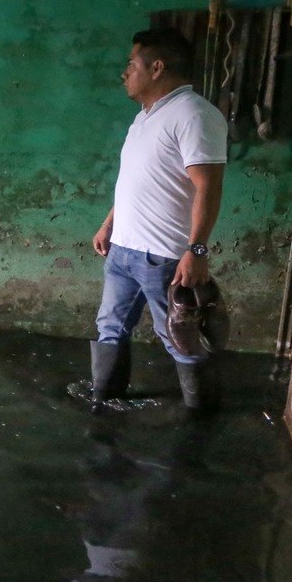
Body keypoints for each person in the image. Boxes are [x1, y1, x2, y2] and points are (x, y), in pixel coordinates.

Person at [85, 28, 227, 411]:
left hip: (163, 255)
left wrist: (196, 250)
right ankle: (104, 398)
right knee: (109, 327)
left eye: (131, 65)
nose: (125, 73)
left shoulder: (194, 114)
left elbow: (208, 187)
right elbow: (136, 179)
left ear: (157, 68)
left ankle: (201, 416)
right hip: (123, 249)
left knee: (181, 337)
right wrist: (109, 224)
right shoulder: (144, 118)